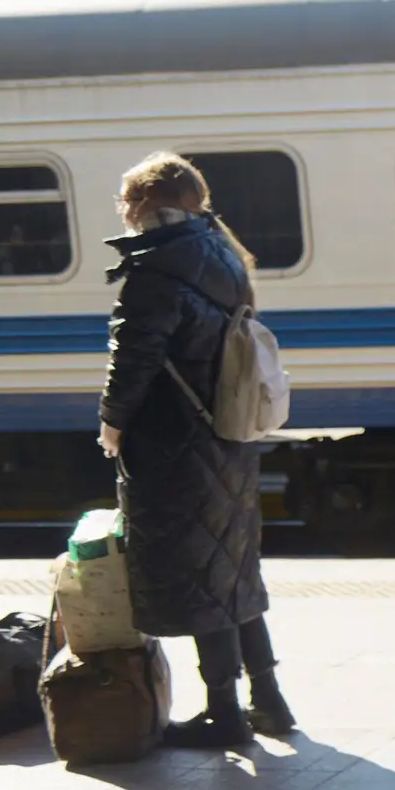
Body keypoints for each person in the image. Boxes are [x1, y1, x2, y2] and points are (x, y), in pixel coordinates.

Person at [96, 151, 297, 749]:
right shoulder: (223, 255)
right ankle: (269, 698)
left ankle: (225, 717)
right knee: (232, 568)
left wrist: (112, 422)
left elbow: (133, 358)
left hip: (173, 445)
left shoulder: (155, 271)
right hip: (229, 434)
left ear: (138, 206)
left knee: (203, 575)